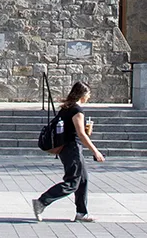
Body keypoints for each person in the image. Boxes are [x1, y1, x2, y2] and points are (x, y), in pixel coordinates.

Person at [32, 81, 104, 222]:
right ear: (82, 95)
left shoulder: (66, 108)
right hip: (72, 148)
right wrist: (95, 151)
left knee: (83, 179)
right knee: (72, 182)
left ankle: (81, 213)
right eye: (88, 94)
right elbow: (81, 134)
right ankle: (42, 202)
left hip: (66, 148)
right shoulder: (77, 110)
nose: (89, 97)